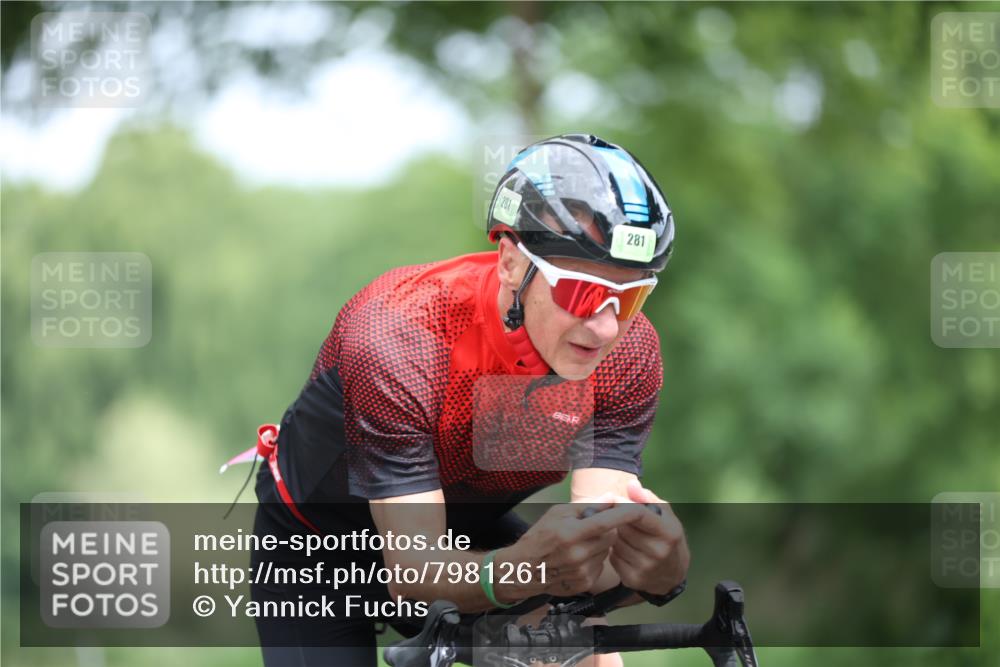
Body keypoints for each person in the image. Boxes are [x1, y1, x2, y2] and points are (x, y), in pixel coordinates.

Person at [249, 133, 689, 667]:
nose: (605, 328)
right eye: (582, 292)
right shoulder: (400, 336)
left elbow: (597, 560)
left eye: (631, 296)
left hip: (464, 534)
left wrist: (660, 575)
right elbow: (413, 574)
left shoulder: (627, 353)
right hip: (318, 545)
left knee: (591, 656)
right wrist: (526, 570)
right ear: (510, 262)